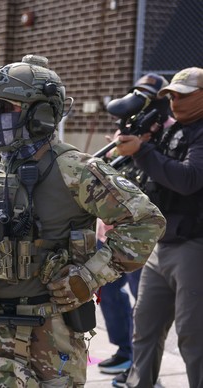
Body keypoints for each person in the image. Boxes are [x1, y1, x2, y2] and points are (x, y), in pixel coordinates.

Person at [0, 55, 166, 387]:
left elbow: (146, 221)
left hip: (49, 338)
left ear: (40, 113)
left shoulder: (76, 170)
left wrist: (89, 276)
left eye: (4, 107)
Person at [112, 67, 203, 388]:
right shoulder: (170, 129)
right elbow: (154, 177)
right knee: (144, 329)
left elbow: (189, 179)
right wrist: (139, 145)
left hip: (194, 245)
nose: (176, 101)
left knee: (194, 338)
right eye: (172, 95)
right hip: (162, 244)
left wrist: (143, 150)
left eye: (185, 95)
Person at [96, 73, 174, 375]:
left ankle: (142, 366)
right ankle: (123, 350)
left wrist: (142, 148)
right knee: (109, 294)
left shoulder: (170, 132)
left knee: (143, 302)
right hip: (110, 228)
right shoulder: (129, 127)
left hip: (142, 233)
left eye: (146, 96)